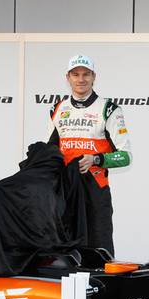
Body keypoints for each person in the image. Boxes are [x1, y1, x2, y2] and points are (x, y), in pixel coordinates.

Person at [47, 54, 131, 257]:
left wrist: (96, 159)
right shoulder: (57, 109)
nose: (81, 79)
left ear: (94, 76)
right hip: (66, 190)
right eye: (75, 74)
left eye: (86, 74)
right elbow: (50, 152)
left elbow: (125, 156)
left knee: (98, 250)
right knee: (64, 251)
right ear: (68, 77)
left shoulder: (108, 109)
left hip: (95, 190)